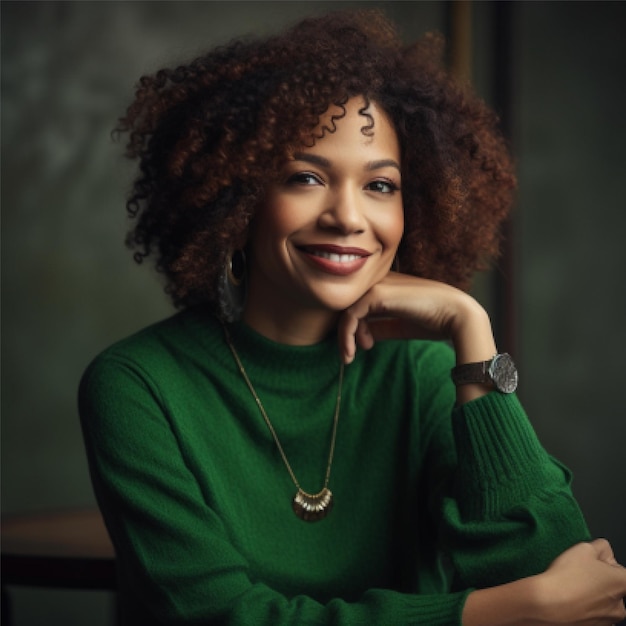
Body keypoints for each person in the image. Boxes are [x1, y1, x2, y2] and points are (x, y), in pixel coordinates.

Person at [79, 10, 626, 625]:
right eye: (305, 177)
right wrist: (484, 615)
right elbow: (224, 617)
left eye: (380, 185)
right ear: (237, 197)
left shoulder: (426, 372)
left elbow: (565, 581)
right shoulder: (139, 386)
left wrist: (470, 325)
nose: (347, 216)